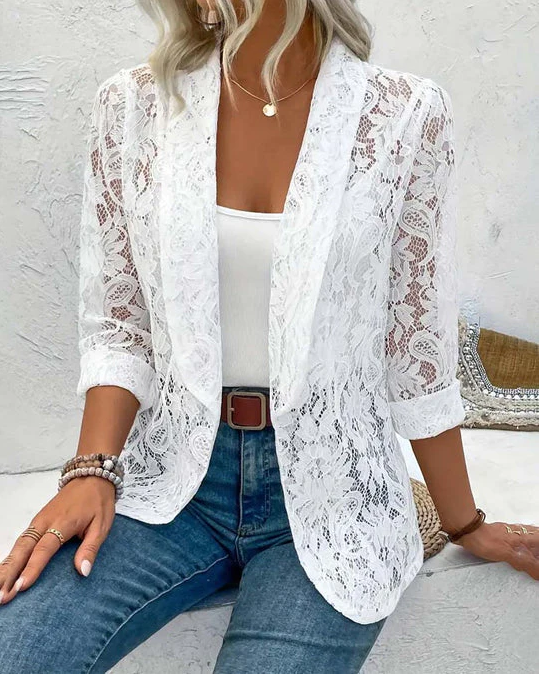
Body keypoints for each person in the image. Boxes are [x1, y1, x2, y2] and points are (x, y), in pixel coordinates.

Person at [1, 2, 537, 673]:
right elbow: (120, 323)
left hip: (332, 497)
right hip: (169, 486)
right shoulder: (132, 106)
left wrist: (464, 523)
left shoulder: (404, 114)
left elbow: (415, 351)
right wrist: (91, 471)